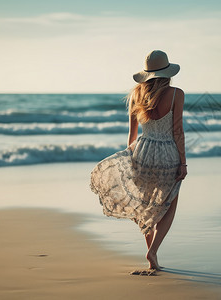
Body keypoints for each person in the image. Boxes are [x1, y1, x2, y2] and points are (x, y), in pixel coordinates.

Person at [90, 50, 187, 271]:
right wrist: (183, 162)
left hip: (143, 151)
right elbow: (178, 131)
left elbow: (132, 135)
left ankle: (151, 253)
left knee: (144, 206)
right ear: (167, 72)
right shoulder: (176, 94)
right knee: (169, 203)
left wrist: (130, 157)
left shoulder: (136, 94)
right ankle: (153, 251)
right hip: (167, 154)